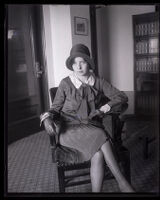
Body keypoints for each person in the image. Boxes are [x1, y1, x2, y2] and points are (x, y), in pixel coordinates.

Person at [40, 44, 135, 193]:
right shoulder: (65, 83)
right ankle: (122, 182)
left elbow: (121, 96)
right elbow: (54, 109)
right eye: (75, 62)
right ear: (71, 65)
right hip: (69, 131)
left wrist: (103, 108)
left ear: (88, 64)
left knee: (97, 154)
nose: (78, 66)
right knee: (101, 135)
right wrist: (46, 119)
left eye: (82, 62)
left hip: (91, 127)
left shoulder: (98, 81)